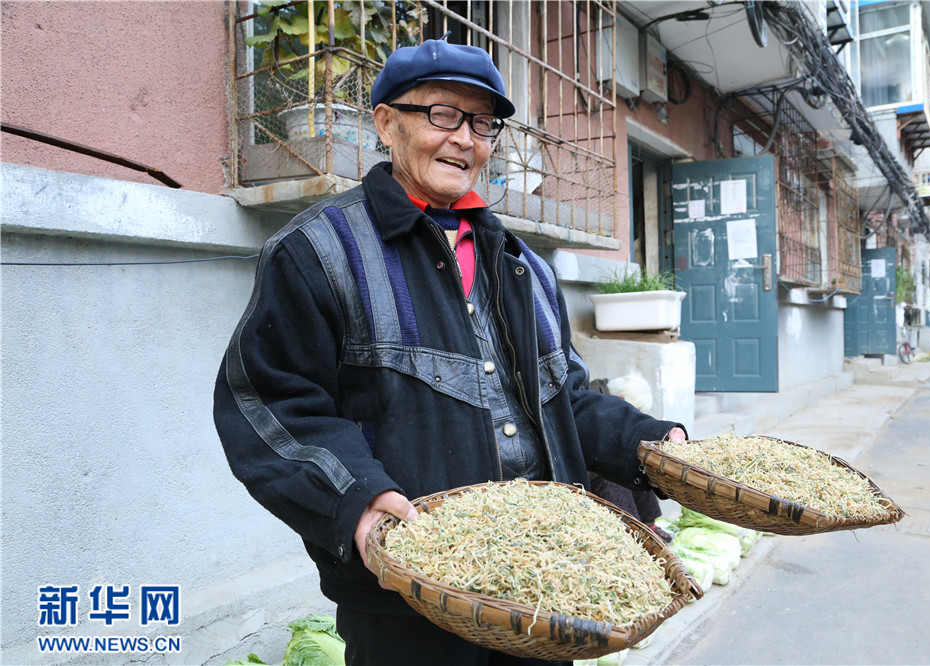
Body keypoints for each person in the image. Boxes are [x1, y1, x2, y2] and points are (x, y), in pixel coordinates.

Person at [214, 37, 686, 666]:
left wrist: (655, 444)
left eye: (483, 123)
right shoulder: (318, 253)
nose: (465, 139)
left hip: (541, 590)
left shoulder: (526, 269)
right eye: (442, 114)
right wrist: (357, 498)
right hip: (408, 598)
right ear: (386, 122)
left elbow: (565, 400)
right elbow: (270, 402)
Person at [589, 373, 673, 544]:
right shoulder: (596, 402)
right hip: (590, 469)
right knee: (616, 476)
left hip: (603, 460)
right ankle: (636, 534)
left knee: (641, 465)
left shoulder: (610, 393)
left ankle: (649, 525)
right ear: (621, 399)